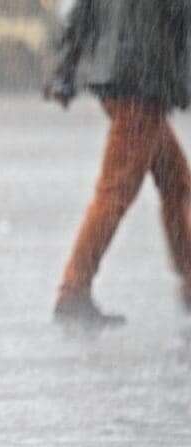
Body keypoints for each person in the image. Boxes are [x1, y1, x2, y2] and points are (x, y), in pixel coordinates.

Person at [46, 0, 191, 328]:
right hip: (142, 84)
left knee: (175, 179)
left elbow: (82, 10)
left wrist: (66, 69)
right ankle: (73, 289)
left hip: (118, 77)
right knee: (115, 192)